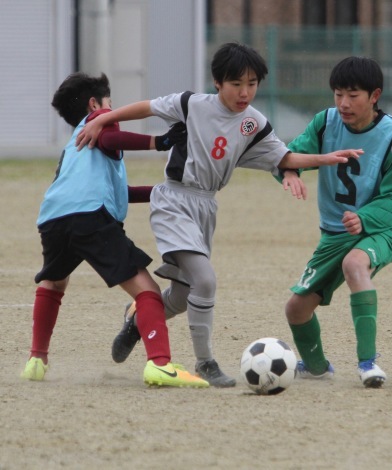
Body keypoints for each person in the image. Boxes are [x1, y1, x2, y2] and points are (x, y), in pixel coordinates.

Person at [75, 42, 362, 388]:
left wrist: (326, 158)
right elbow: (146, 108)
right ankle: (206, 363)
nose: (245, 93)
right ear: (217, 82)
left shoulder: (254, 123)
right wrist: (104, 119)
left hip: (206, 208)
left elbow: (284, 158)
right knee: (206, 280)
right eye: (236, 84)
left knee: (182, 297)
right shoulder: (191, 104)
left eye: (252, 84)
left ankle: (136, 323)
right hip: (174, 201)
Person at [21, 72, 209, 388]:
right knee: (147, 290)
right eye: (110, 103)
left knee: (54, 283)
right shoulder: (100, 121)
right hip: (88, 217)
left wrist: (165, 191)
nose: (113, 110)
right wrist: (159, 142)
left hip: (54, 218)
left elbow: (120, 191)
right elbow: (109, 137)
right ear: (95, 104)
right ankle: (160, 365)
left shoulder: (73, 147)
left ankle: (36, 360)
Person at [281, 56, 392, 388]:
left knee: (356, 265)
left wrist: (364, 218)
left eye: (353, 95)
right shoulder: (325, 123)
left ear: (374, 95)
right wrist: (288, 171)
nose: (343, 103)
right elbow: (290, 154)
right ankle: (315, 367)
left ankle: (368, 363)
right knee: (296, 309)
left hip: (387, 226)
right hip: (335, 232)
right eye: (338, 93)